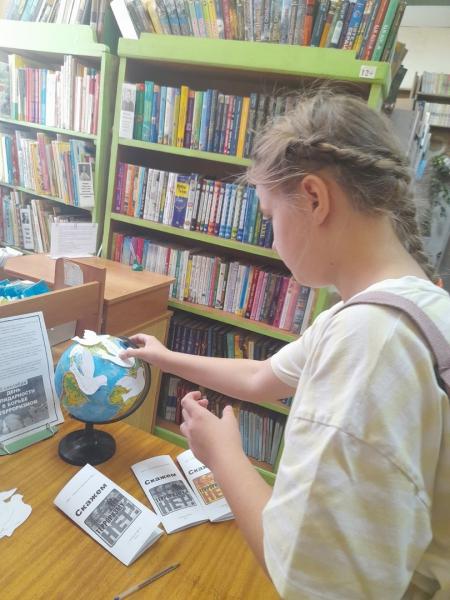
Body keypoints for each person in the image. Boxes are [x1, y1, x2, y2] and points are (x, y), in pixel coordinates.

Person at [120, 90, 450, 599]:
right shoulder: (404, 307)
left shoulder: (370, 343)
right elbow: (261, 377)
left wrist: (222, 456)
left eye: (270, 217)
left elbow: (312, 582)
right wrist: (161, 356)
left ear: (315, 199)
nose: (273, 241)